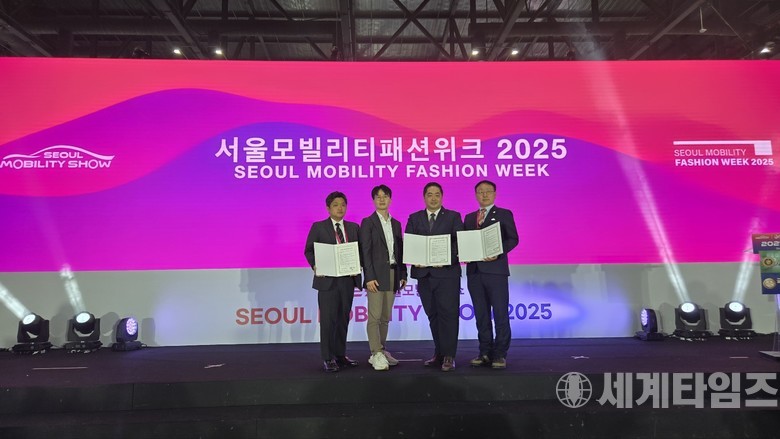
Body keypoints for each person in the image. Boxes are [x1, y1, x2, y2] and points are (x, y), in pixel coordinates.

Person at [405, 182, 463, 372]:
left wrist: (446, 259)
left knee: (449, 315)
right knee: (433, 315)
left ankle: (449, 355)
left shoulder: (453, 216)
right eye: (429, 194)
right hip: (425, 275)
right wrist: (415, 259)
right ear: (424, 197)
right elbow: (410, 244)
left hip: (447, 274)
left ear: (442, 197)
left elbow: (459, 243)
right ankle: (439, 353)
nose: (433, 198)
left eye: (437, 194)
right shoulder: (414, 218)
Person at [304, 191, 362, 372]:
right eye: (336, 205)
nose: (340, 208)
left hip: (347, 280)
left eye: (343, 205)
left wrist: (358, 264)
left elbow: (360, 251)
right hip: (327, 281)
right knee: (328, 320)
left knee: (343, 319)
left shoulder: (353, 227)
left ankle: (340, 354)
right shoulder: (319, 227)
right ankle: (328, 357)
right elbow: (309, 250)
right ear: (328, 208)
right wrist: (316, 265)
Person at [463, 180, 519, 369]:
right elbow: (465, 242)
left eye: (488, 191)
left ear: (495, 194)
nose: (484, 195)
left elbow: (513, 239)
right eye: (480, 192)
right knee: (481, 314)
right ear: (475, 195)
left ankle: (500, 353)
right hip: (474, 272)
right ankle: (484, 352)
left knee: (500, 313)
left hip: (496, 272)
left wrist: (498, 252)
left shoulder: (503, 214)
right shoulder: (469, 218)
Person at [359, 185, 407, 371]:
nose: (381, 199)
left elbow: (400, 251)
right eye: (378, 196)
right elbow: (365, 251)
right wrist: (369, 277)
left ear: (390, 199)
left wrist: (403, 273)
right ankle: (375, 353)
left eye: (385, 196)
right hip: (376, 276)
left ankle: (382, 349)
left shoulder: (396, 224)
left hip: (393, 273)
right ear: (373, 200)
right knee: (375, 316)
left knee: (385, 317)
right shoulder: (368, 222)